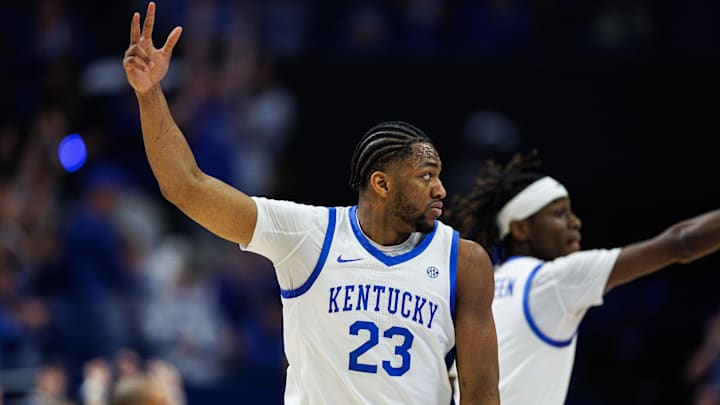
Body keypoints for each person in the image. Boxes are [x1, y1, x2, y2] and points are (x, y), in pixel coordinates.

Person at [121, 2, 500, 404]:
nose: (440, 189)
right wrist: (149, 94)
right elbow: (187, 186)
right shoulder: (308, 235)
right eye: (426, 177)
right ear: (381, 184)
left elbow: (482, 393)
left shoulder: (464, 261)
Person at [444, 150, 720, 405]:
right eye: (560, 213)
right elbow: (681, 243)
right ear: (521, 229)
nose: (575, 222)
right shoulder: (554, 279)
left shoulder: (482, 285)